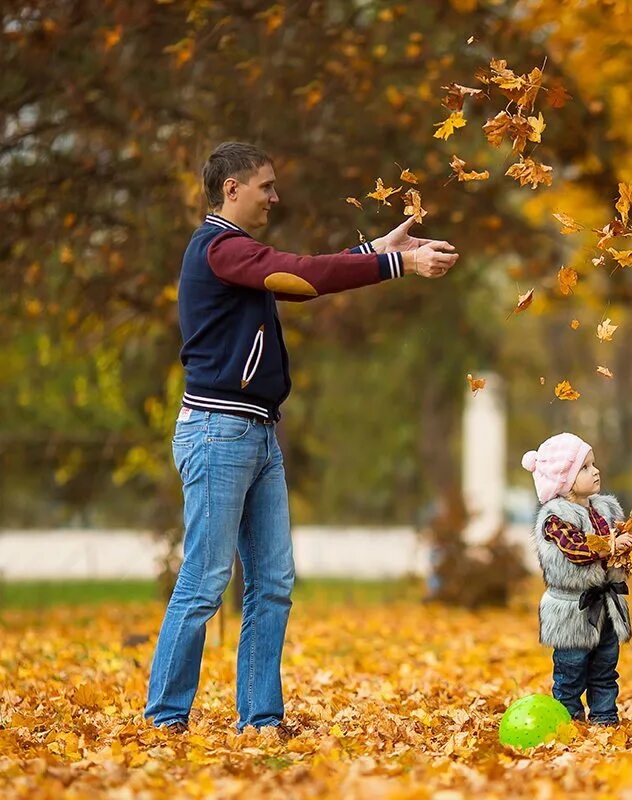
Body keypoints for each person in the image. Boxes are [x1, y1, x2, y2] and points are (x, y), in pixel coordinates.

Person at [144, 141, 459, 734]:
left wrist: (374, 250)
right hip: (219, 432)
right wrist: (396, 265)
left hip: (256, 433)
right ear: (230, 190)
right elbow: (301, 276)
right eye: (265, 185)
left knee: (273, 585)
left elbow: (297, 273)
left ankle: (261, 719)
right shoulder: (217, 248)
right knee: (206, 581)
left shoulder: (236, 254)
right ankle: (164, 719)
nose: (275, 195)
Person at [522, 433, 632, 726]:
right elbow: (577, 549)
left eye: (593, 464)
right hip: (573, 610)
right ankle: (568, 721)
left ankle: (605, 719)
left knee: (605, 669)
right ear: (565, 481)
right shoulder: (555, 518)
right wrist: (610, 545)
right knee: (571, 671)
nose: (595, 471)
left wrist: (630, 545)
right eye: (584, 468)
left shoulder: (603, 510)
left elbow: (613, 545)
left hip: (605, 605)